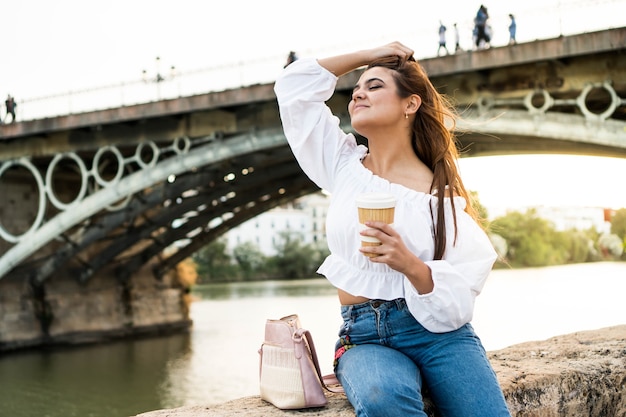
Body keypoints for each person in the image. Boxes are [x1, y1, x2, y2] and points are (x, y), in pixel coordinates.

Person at [274, 42, 511, 416]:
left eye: (375, 86)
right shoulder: (341, 165)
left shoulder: (440, 197)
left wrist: (409, 264)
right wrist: (370, 55)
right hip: (365, 337)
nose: (358, 93)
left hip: (440, 337)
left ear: (410, 104)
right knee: (386, 402)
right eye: (356, 89)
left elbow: (463, 293)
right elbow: (293, 87)